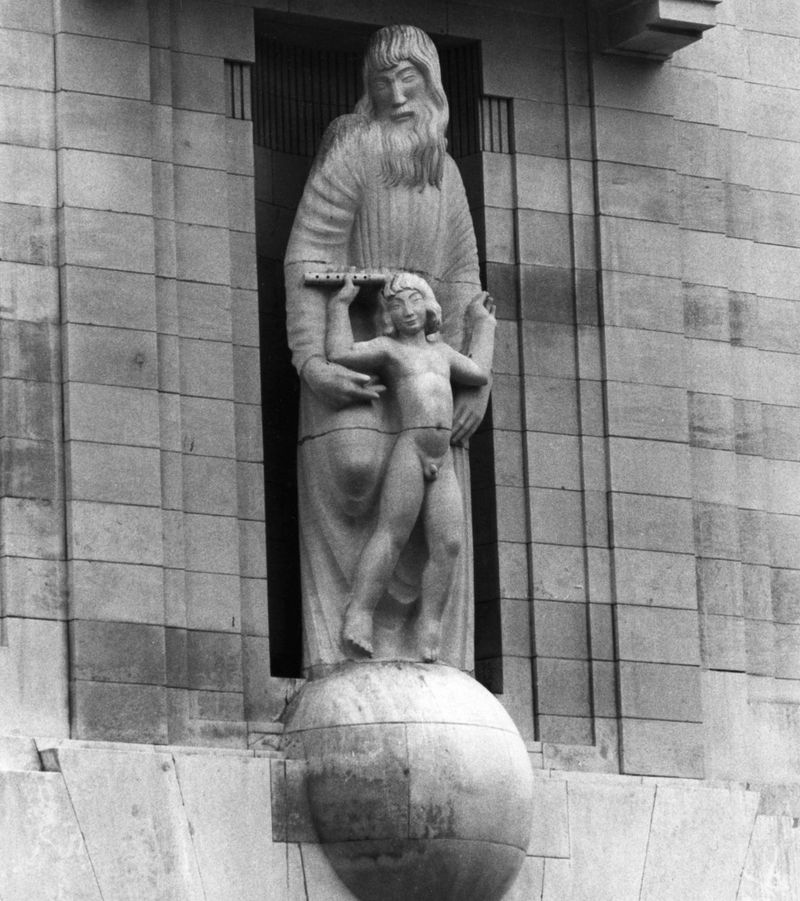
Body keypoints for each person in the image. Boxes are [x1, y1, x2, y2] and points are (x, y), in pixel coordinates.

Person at [284, 24, 495, 675]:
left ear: (431, 86)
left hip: (429, 370)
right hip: (359, 348)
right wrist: (312, 361)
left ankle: (425, 636)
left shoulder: (449, 175)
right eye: (384, 82)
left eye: (411, 79)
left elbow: (464, 280)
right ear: (369, 92)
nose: (398, 93)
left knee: (445, 532)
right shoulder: (357, 150)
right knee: (351, 462)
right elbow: (307, 253)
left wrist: (474, 384)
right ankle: (346, 631)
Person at [326, 272, 493, 661]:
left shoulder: (444, 354)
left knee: (448, 543)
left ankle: (430, 623)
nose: (407, 311)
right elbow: (340, 354)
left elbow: (479, 373)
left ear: (429, 304)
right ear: (388, 315)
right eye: (397, 305)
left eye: (414, 300)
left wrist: (485, 326)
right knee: (392, 533)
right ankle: (360, 613)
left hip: (443, 454)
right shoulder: (390, 350)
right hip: (413, 447)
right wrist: (340, 305)